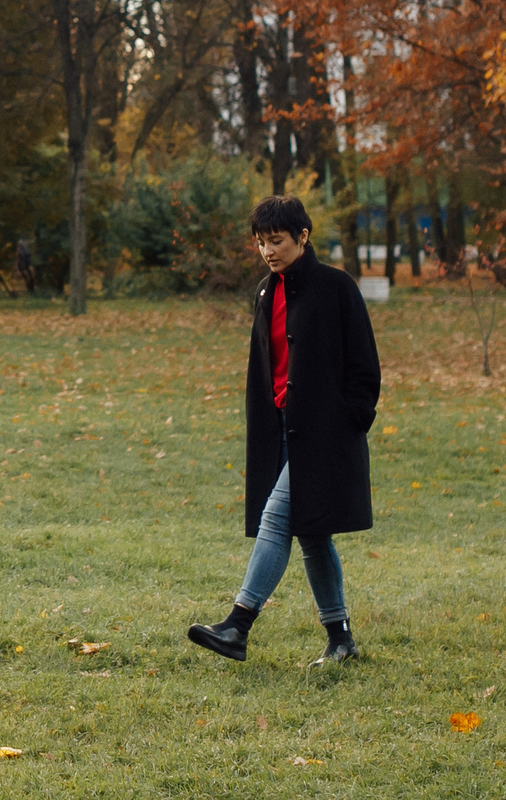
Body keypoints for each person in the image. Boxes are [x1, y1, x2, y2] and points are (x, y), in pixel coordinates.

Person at [187, 195, 381, 668]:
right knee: (312, 534)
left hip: (327, 434)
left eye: (276, 241)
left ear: (303, 237)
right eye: (261, 243)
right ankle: (341, 641)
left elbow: (365, 366)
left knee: (277, 519)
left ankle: (238, 623)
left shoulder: (338, 288)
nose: (268, 251)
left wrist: (349, 421)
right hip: (281, 433)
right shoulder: (264, 292)